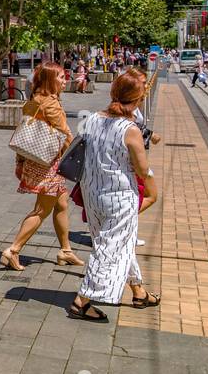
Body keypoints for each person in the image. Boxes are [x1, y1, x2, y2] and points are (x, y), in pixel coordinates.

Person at [68, 71, 161, 322]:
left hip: (92, 192)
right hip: (119, 196)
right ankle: (83, 300)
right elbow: (142, 169)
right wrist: (152, 183)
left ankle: (138, 291)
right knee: (110, 247)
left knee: (117, 242)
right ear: (139, 98)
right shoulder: (129, 129)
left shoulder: (93, 119)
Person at [0, 65, 84, 270]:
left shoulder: (34, 99)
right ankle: (13, 250)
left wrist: (20, 161)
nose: (66, 81)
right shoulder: (50, 104)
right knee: (41, 210)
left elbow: (24, 132)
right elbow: (66, 136)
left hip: (36, 159)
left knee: (61, 204)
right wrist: (80, 156)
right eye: (62, 78)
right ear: (50, 80)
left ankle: (65, 250)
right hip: (50, 165)